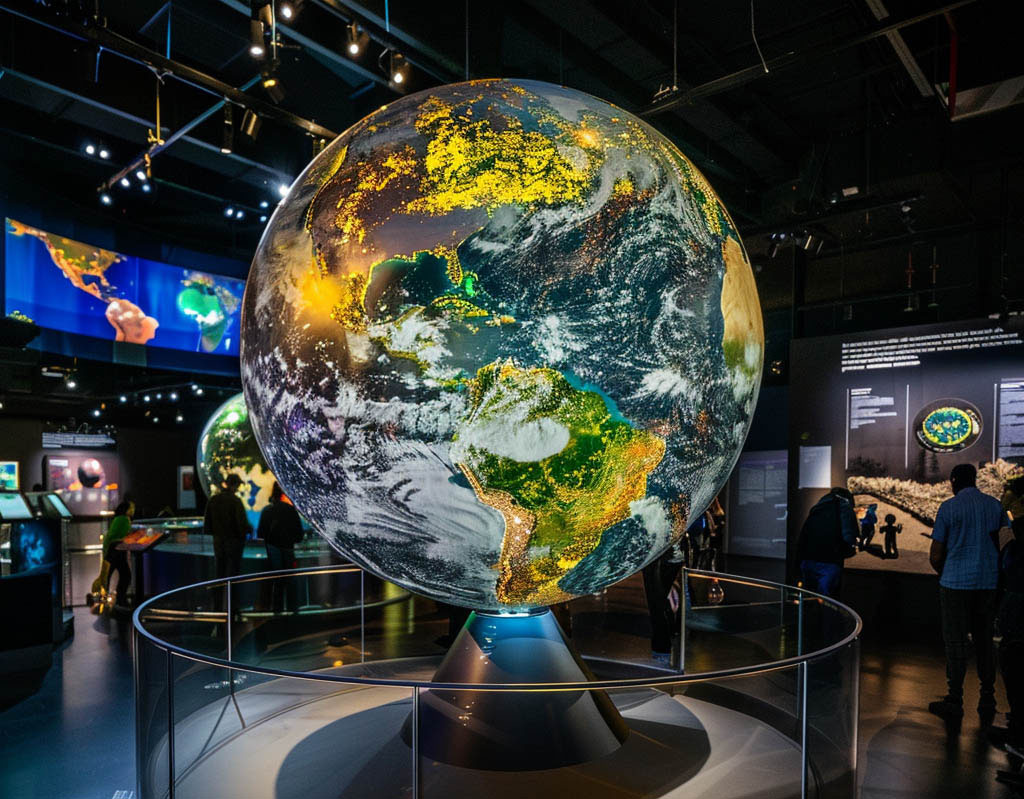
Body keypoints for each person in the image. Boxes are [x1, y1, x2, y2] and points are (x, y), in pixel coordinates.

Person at [928, 463, 1011, 720]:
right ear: (975, 479)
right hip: (988, 583)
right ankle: (988, 698)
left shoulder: (948, 508)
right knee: (985, 641)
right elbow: (1006, 544)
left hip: (954, 584)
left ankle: (955, 698)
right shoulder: (995, 506)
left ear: (954, 481)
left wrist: (944, 572)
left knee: (955, 642)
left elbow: (935, 554)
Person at [991, 475, 1024, 748]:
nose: (1004, 497)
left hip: (1018, 604)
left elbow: (1010, 564)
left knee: (1015, 663)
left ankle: (1018, 735)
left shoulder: (1019, 529)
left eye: (1008, 493)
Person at [795, 487, 859, 598]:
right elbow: (849, 536)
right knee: (827, 601)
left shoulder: (817, 508)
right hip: (830, 561)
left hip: (808, 560)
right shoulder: (844, 506)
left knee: (809, 598)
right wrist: (850, 550)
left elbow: (803, 536)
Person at [257, 482, 304, 611]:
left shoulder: (267, 511)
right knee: (290, 580)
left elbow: (261, 533)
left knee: (277, 580)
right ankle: (292, 610)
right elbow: (299, 534)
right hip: (288, 548)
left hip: (272, 549)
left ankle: (277, 610)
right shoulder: (290, 510)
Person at [204, 473, 252, 578]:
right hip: (234, 543)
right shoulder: (236, 501)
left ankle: (219, 588)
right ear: (235, 485)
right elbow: (241, 523)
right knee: (233, 572)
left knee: (219, 570)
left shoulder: (213, 499)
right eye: (238, 485)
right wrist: (248, 531)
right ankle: (231, 589)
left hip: (218, 542)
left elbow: (207, 523)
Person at [102, 500, 135, 603]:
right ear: (127, 510)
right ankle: (120, 598)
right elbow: (120, 535)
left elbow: (110, 536)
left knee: (109, 575)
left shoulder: (118, 518)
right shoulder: (124, 519)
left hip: (112, 550)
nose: (133, 510)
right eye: (132, 508)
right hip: (117, 550)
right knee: (126, 575)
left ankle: (105, 598)